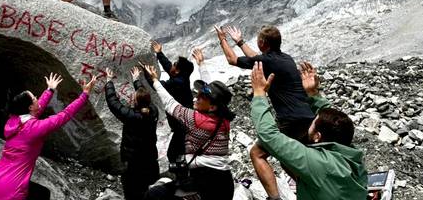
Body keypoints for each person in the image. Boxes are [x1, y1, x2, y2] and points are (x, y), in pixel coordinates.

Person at [216, 25, 314, 200]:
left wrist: (222, 39)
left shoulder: (267, 61)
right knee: (286, 160)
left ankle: (275, 198)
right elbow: (258, 58)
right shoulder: (286, 59)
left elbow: (232, 60)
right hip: (308, 117)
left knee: (257, 153)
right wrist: (240, 42)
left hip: (289, 120)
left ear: (262, 43)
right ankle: (311, 189)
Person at [250, 61, 368, 199]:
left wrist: (259, 94)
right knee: (286, 161)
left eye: (312, 123)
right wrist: (312, 93)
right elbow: (332, 117)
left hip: (322, 177)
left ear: (317, 136)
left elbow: (269, 135)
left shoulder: (318, 163)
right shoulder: (349, 152)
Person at [0, 73, 98, 200]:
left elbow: (35, 111)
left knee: (42, 193)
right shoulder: (34, 128)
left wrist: (50, 90)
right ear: (29, 107)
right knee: (42, 195)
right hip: (11, 189)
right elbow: (64, 115)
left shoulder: (14, 121)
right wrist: (84, 95)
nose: (37, 98)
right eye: (34, 98)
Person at [143, 63, 235, 200]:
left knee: (154, 194)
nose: (195, 98)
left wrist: (155, 80)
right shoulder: (223, 119)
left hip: (206, 185)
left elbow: (170, 104)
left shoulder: (198, 120)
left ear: (212, 107)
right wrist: (202, 65)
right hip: (224, 184)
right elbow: (215, 94)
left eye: (201, 97)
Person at [105, 67, 160, 200]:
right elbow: (144, 97)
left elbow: (113, 103)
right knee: (150, 186)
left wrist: (109, 82)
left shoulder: (131, 116)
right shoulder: (153, 111)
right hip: (150, 157)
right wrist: (136, 80)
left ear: (135, 101)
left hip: (134, 160)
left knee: (133, 189)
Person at [150, 40, 195, 167]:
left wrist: (150, 76)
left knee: (174, 152)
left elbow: (159, 86)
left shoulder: (177, 83)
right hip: (185, 118)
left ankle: (178, 170)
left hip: (181, 123)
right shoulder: (183, 76)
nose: (172, 65)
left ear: (178, 70)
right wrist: (159, 54)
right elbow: (169, 67)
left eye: (175, 64)